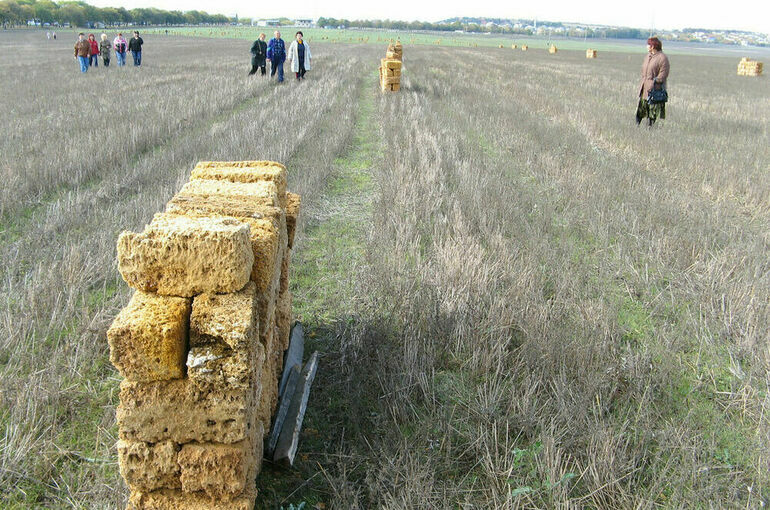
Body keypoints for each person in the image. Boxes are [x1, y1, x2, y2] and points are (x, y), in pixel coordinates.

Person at [636, 36, 670, 127]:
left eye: (648, 45)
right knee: (640, 112)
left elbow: (663, 74)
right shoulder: (648, 56)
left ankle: (649, 131)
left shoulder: (662, 58)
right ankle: (636, 127)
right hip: (644, 89)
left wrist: (654, 82)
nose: (646, 46)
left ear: (653, 46)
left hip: (655, 91)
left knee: (652, 114)